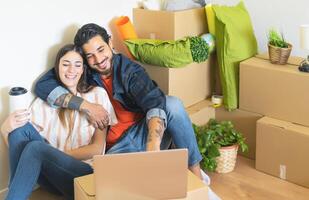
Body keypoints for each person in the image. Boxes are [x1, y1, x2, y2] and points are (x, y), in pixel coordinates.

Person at [34, 23, 204, 179]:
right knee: (108, 184)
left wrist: (153, 147)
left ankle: (196, 174)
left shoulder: (130, 71)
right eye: (90, 56)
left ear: (110, 42)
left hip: (141, 136)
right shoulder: (84, 69)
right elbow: (43, 85)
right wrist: (86, 106)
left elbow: (154, 103)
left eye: (101, 50)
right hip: (113, 149)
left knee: (172, 103)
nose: (98, 60)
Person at [1, 44, 117, 200]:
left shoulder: (97, 96)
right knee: (19, 129)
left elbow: (97, 148)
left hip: (84, 174)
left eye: (77, 65)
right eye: (65, 64)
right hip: (53, 179)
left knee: (36, 148)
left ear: (83, 69)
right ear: (57, 68)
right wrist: (4, 131)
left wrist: (55, 156)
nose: (71, 70)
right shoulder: (42, 103)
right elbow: (22, 150)